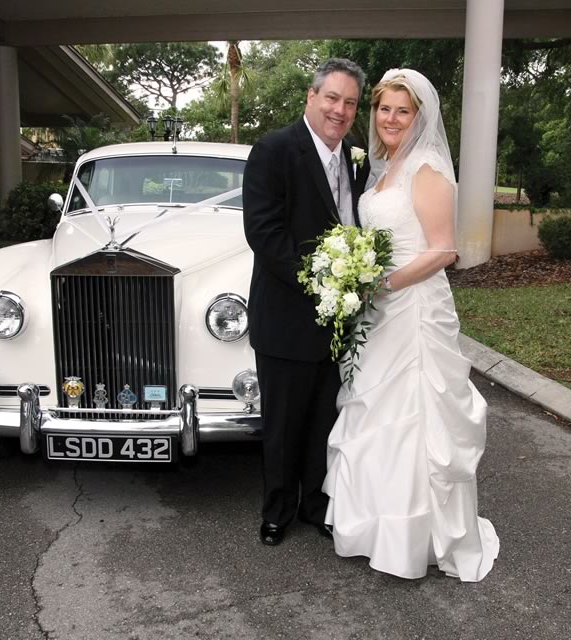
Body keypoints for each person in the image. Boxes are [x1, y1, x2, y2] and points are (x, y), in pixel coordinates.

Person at [323, 69, 500, 580]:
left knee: (414, 417)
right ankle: (375, 528)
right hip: (380, 309)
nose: (391, 118)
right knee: (375, 413)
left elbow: (444, 249)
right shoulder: (383, 169)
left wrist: (383, 284)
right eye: (384, 109)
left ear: (419, 117)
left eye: (403, 110)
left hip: (414, 307)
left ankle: (419, 538)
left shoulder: (426, 168)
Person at [242, 58, 371, 546]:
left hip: (339, 322)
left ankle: (318, 505)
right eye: (332, 98)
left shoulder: (357, 159)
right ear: (311, 98)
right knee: (282, 424)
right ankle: (277, 511)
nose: (340, 110)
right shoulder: (275, 150)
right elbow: (264, 233)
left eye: (350, 102)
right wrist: (322, 282)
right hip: (288, 316)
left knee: (325, 419)